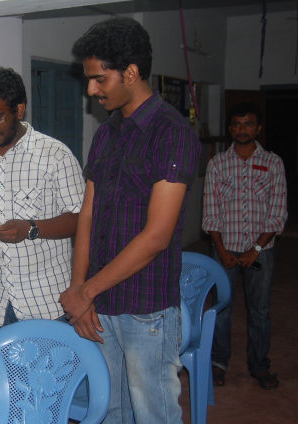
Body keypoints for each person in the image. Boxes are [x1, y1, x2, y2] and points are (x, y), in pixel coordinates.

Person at [60, 17, 201, 423]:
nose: (91, 89)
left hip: (146, 309)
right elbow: (88, 214)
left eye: (99, 79)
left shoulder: (171, 132)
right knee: (109, 411)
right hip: (100, 305)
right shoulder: (107, 134)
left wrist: (87, 291)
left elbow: (157, 235)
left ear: (132, 72)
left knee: (153, 414)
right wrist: (79, 290)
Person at [0, 66, 85, 419]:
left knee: (45, 396)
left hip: (45, 300)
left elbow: (81, 218)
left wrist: (32, 229)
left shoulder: (55, 155)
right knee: (2, 393)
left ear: (19, 110)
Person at [202, 102, 287, 390]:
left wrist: (256, 250)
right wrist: (221, 250)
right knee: (221, 308)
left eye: (248, 124)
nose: (242, 130)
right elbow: (211, 212)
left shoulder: (273, 163)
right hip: (224, 249)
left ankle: (260, 365)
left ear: (258, 128)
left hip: (261, 251)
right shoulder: (217, 164)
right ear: (230, 129)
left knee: (260, 310)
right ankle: (218, 363)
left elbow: (278, 213)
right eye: (237, 125)